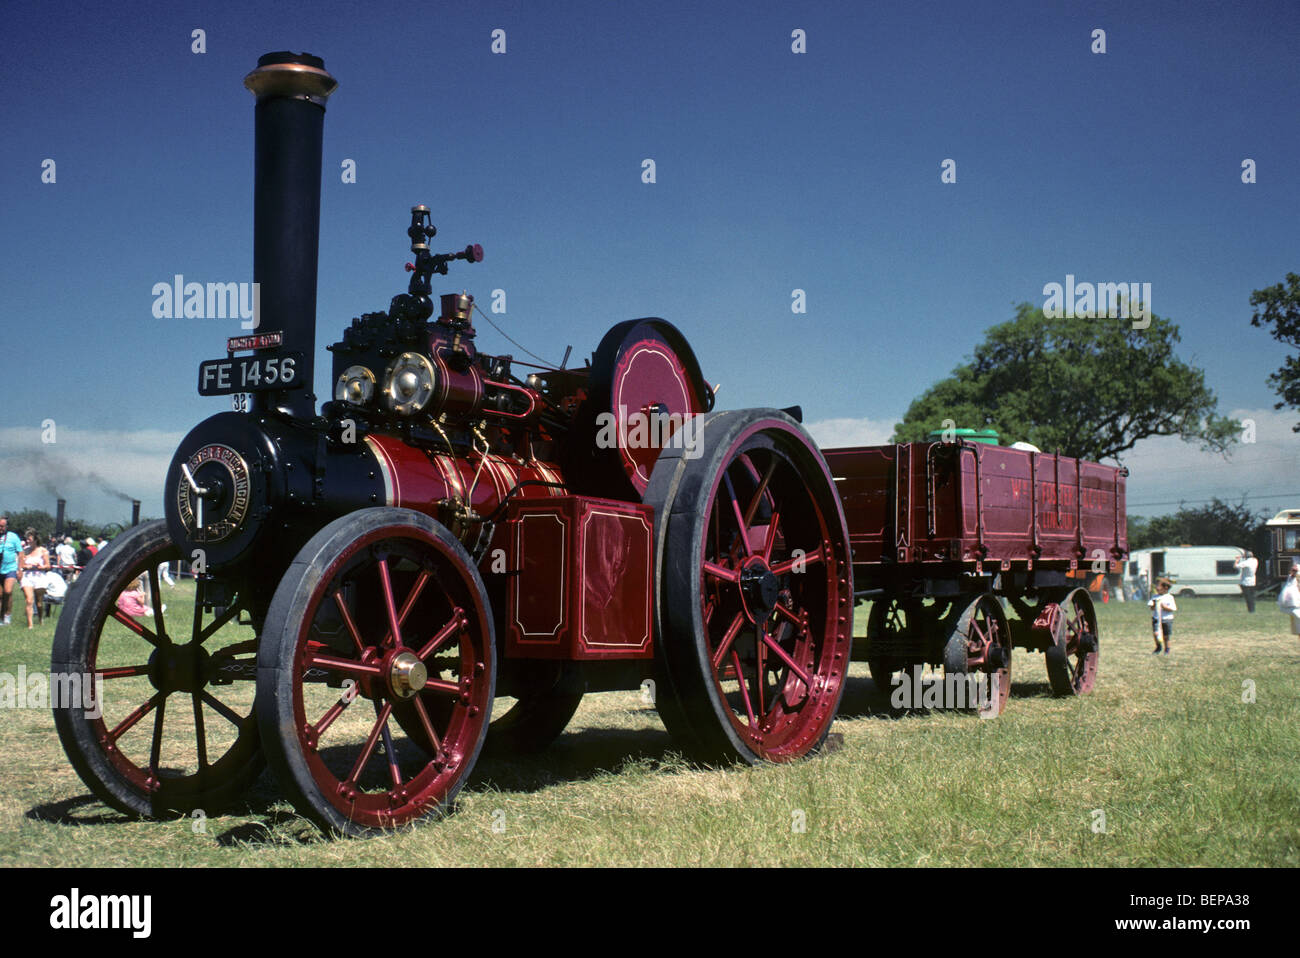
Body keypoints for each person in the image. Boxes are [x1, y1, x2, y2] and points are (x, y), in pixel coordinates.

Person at [17, 528, 51, 630]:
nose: (28, 540)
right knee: (29, 600)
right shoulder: (24, 551)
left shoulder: (43, 551)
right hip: (27, 577)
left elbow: (48, 566)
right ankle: (30, 625)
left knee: (39, 603)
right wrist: (27, 566)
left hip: (39, 577)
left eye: (30, 538)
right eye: (27, 538)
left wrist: (41, 567)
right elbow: (21, 565)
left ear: (35, 539)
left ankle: (40, 619)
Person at [0, 515, 21, 626]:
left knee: (8, 591)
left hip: (10, 568)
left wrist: (20, 569)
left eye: (3, 526)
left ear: (6, 526)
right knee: (0, 595)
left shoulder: (13, 537)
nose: (1, 528)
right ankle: (1, 617)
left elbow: (20, 552)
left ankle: (7, 615)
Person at [1148, 576, 1177, 655]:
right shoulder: (1155, 597)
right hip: (1156, 618)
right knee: (1156, 634)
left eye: (1159, 586)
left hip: (1166, 619)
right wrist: (1154, 604)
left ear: (1165, 588)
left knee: (1166, 636)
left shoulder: (1169, 597)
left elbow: (1173, 608)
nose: (1157, 588)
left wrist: (1165, 607)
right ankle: (1158, 647)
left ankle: (1167, 649)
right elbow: (1151, 608)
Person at [1276, 565, 1300, 637]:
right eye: (1292, 570)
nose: (1292, 572)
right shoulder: (1291, 579)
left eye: (1295, 570)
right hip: (1294, 606)